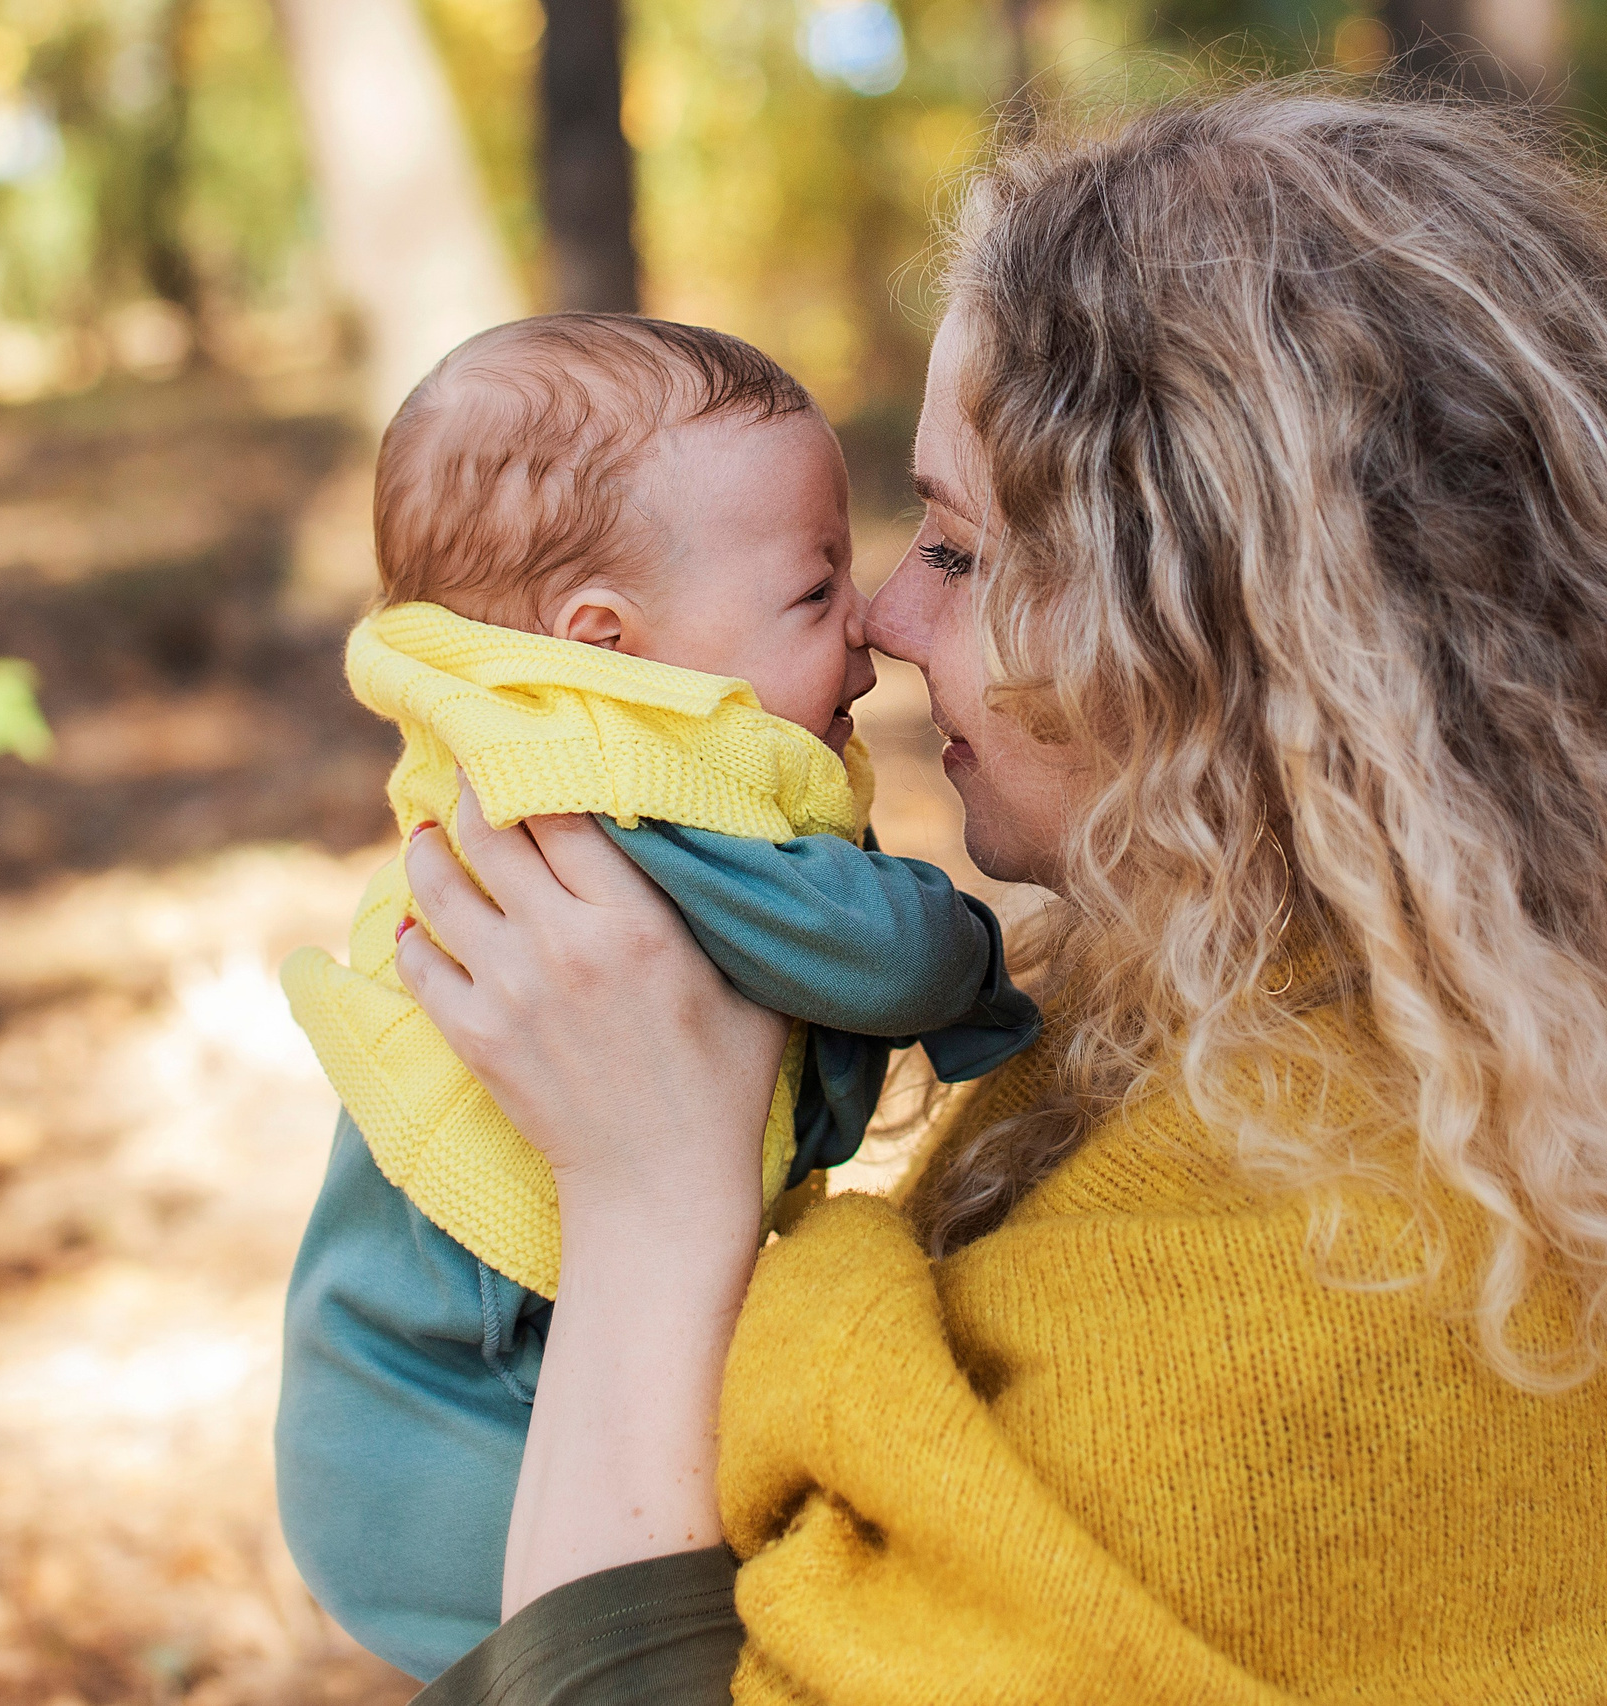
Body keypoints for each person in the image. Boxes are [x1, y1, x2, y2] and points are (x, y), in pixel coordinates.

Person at [386, 87, 1607, 1703]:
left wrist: (652, 1201)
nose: (880, 615)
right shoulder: (1357, 1039)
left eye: (956, 548)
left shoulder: (1351, 1274)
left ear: (1201, 639)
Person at [272, 315, 1040, 1681]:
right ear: (608, 643)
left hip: (408, 1400)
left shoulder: (558, 739)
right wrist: (979, 959)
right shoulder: (617, 789)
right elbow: (877, 952)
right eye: (813, 596)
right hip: (453, 1412)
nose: (866, 632)